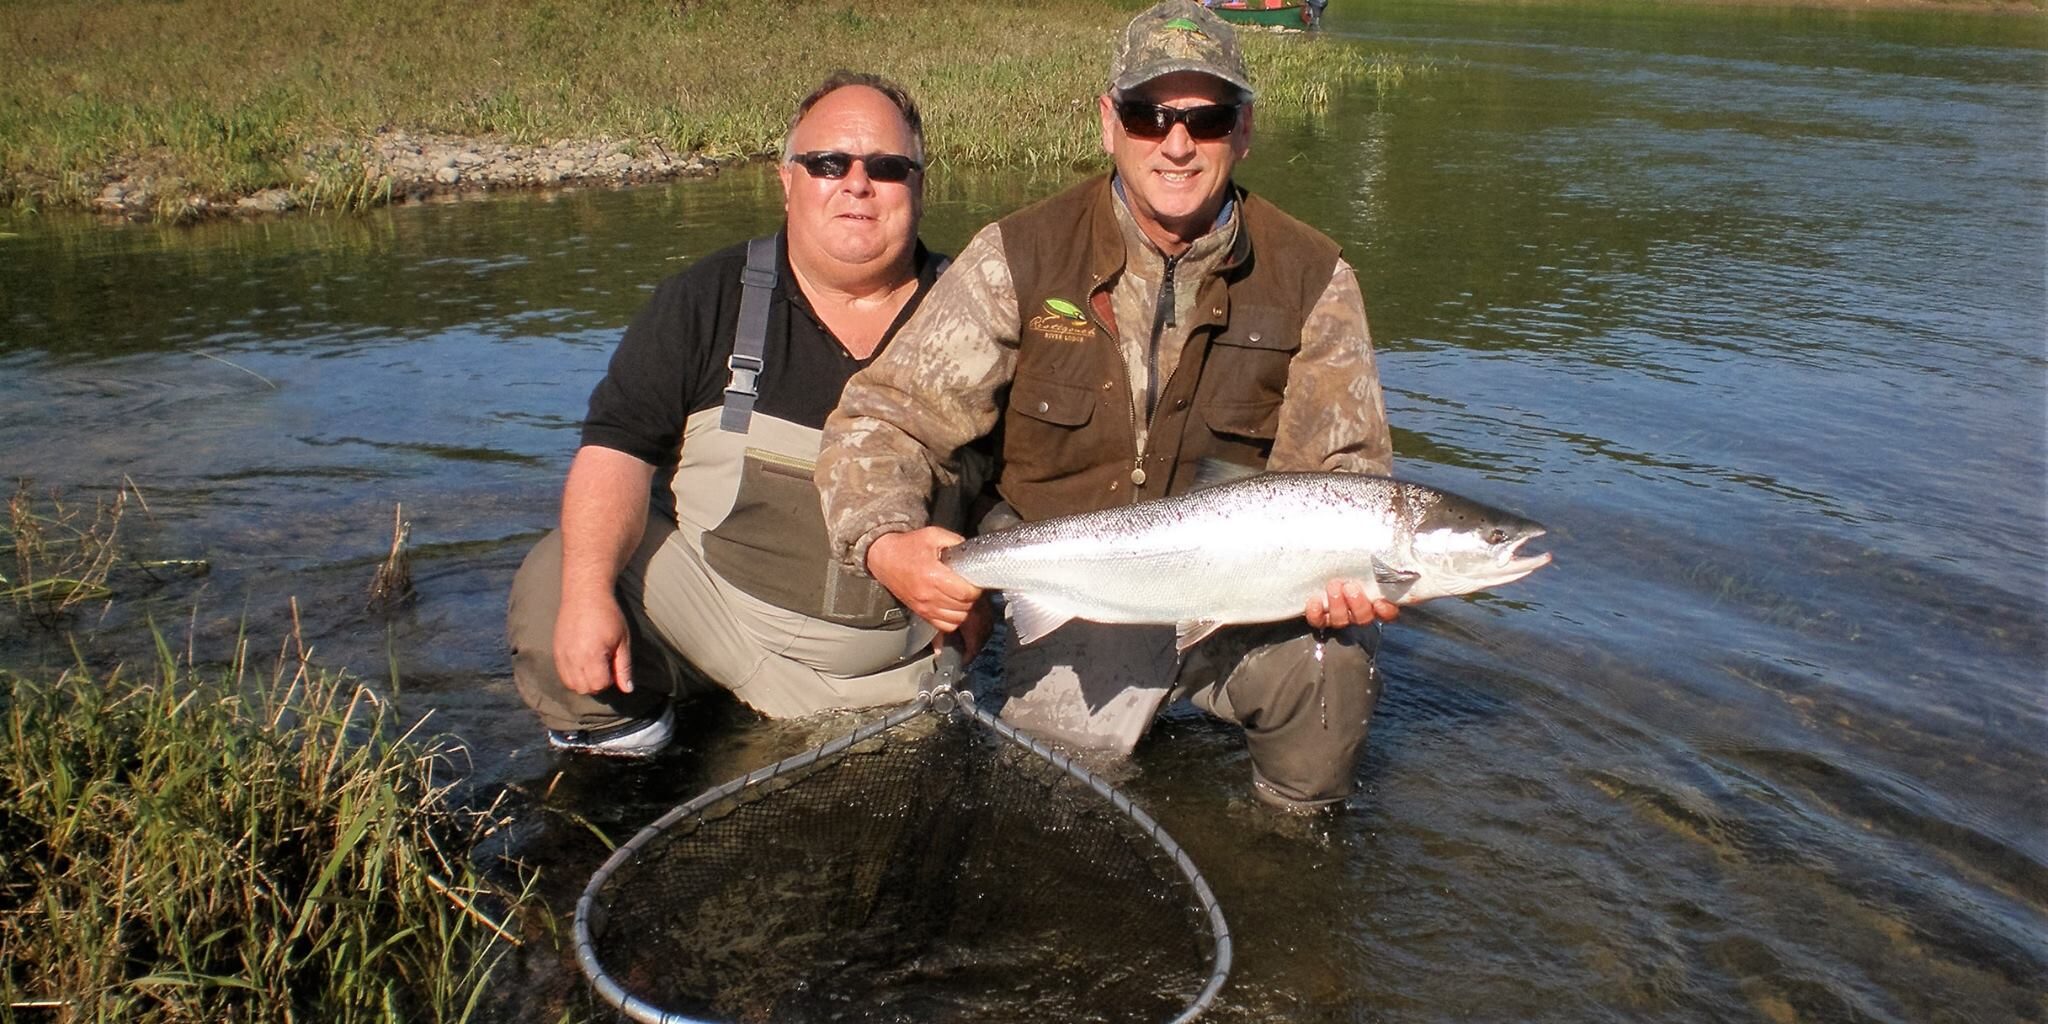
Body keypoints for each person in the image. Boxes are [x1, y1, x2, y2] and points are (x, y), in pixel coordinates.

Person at [815, 0, 1398, 811]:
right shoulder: (1020, 253)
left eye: (1209, 117)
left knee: (1334, 667)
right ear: (1108, 123)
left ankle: (1290, 846)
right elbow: (885, 419)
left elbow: (1344, 475)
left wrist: (1346, 581)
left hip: (1241, 592)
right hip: (1074, 585)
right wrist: (885, 543)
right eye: (1148, 114)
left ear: (1246, 129)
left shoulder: (1313, 275)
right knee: (1048, 802)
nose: (1178, 143)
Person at [507, 71, 971, 756]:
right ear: (786, 180)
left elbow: (1032, 481)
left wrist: (989, 589)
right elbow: (616, 454)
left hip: (894, 668)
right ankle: (627, 753)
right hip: (713, 621)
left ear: (921, 188)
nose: (857, 183)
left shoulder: (977, 317)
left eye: (887, 167)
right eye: (827, 163)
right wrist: (587, 597)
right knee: (562, 584)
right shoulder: (703, 299)